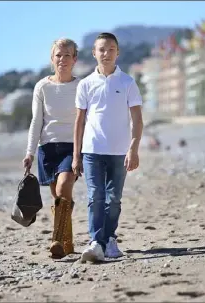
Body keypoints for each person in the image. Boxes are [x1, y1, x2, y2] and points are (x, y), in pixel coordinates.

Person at [72, 33, 143, 262]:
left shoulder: (127, 82)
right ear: (94, 53)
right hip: (92, 150)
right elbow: (79, 122)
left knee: (113, 199)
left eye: (111, 49)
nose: (106, 53)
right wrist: (76, 156)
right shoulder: (85, 84)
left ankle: (109, 238)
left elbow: (137, 120)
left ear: (117, 52)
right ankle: (96, 242)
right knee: (96, 196)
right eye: (102, 49)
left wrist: (133, 148)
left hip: (120, 152)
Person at [22, 38, 79, 259]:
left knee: (65, 186)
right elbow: (37, 121)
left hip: (72, 147)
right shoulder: (42, 86)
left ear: (74, 59)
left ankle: (56, 239)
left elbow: (87, 119)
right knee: (58, 196)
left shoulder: (81, 85)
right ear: (51, 58)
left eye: (67, 55)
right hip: (47, 148)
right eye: (58, 55)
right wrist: (29, 152)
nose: (62, 59)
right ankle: (68, 241)